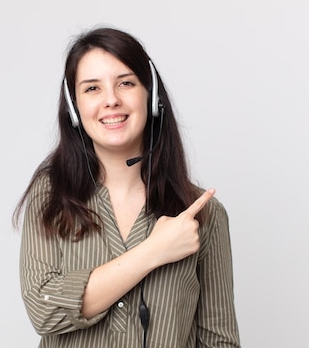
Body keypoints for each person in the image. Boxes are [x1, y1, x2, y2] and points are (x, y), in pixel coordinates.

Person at [13, 26, 240, 348]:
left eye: (126, 83)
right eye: (92, 88)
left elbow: (219, 341)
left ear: (152, 97)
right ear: (74, 106)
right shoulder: (50, 196)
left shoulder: (204, 214)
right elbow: (44, 310)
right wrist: (153, 251)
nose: (111, 100)